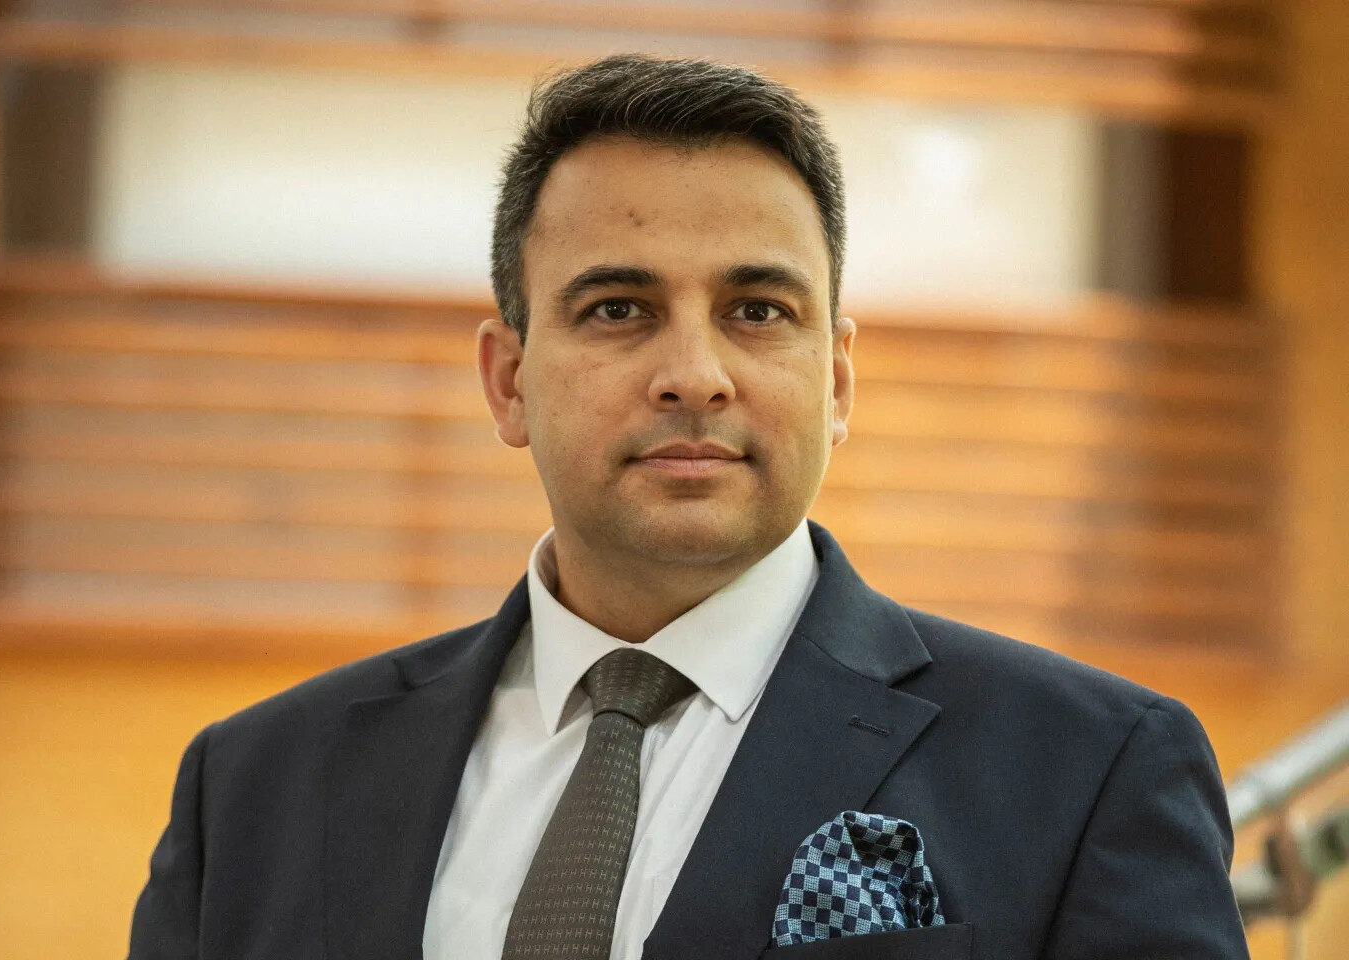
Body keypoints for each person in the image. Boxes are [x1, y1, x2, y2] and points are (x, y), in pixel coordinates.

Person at [127, 55, 1249, 960]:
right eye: (619, 308)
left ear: (836, 380)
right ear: (508, 382)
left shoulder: (1087, 770)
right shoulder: (255, 788)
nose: (696, 376)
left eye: (757, 311)